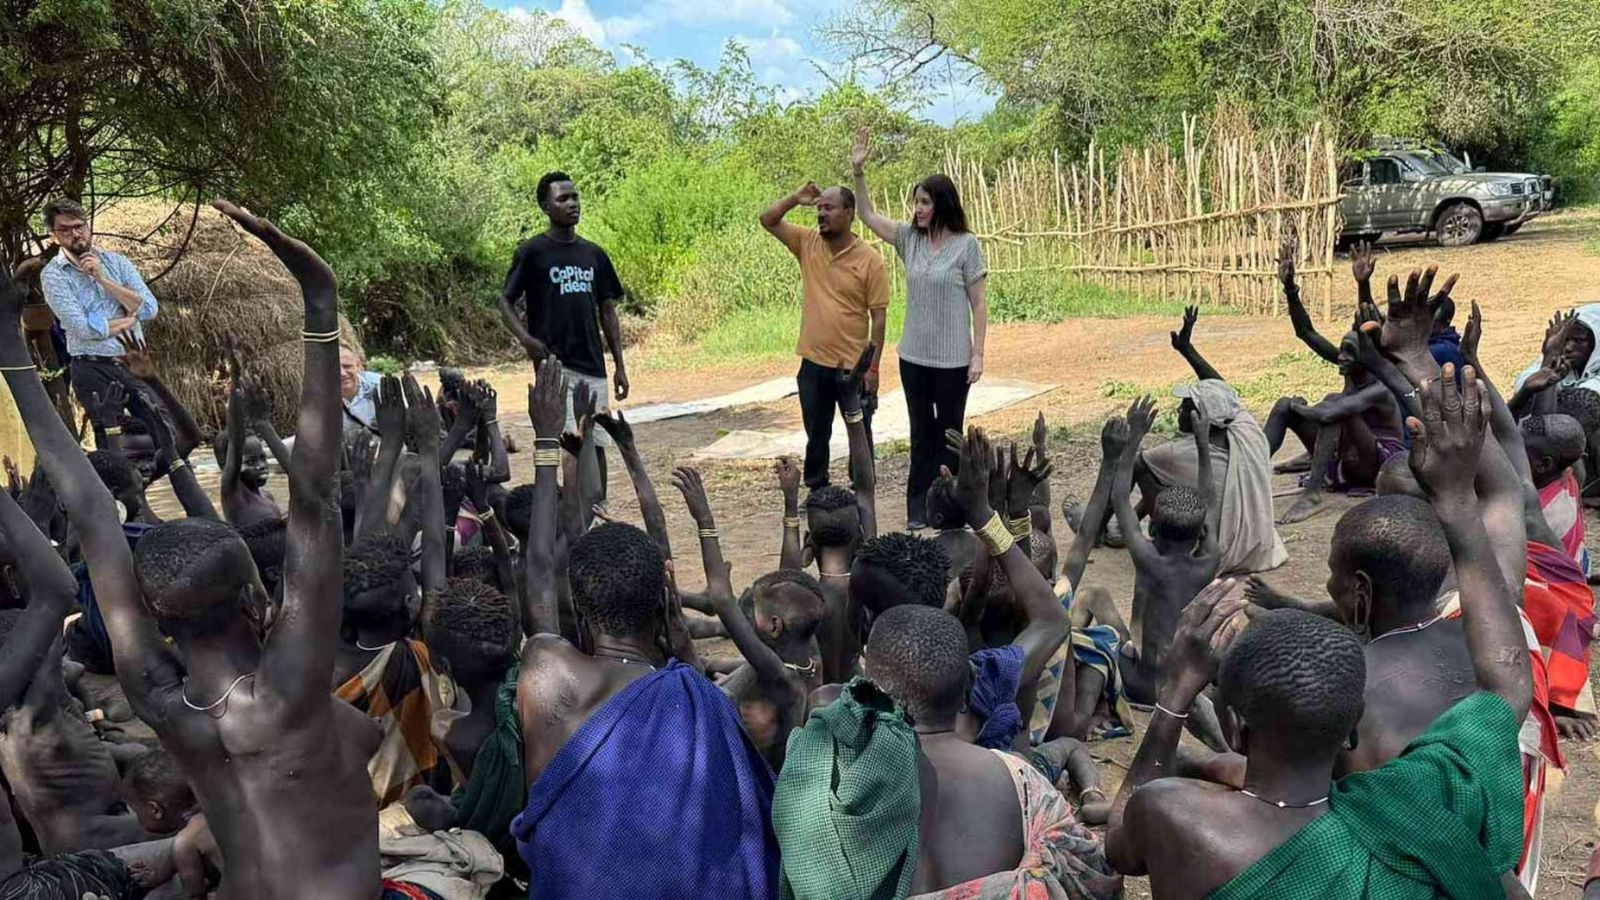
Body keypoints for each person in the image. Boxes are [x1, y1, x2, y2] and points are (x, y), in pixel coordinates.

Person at [4, 202, 387, 898]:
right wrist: (319, 301)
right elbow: (315, 500)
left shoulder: (157, 695)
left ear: (152, 612)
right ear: (255, 599)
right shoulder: (286, 696)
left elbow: (92, 510)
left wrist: (10, 351)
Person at [511, 357, 777, 900]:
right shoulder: (699, 699)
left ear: (580, 612)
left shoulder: (549, 676)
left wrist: (547, 443)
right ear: (666, 606)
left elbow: (537, 572)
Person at [851, 128, 988, 529]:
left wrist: (978, 353)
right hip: (913, 357)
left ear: (942, 204)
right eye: (916, 201)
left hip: (952, 360)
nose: (918, 208)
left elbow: (979, 304)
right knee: (919, 434)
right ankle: (918, 507)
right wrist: (858, 172)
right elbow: (867, 216)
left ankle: (949, 509)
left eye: (925, 202)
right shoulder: (909, 238)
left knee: (949, 435)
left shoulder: (967, 245)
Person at [498, 171, 631, 497]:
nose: (572, 204)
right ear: (546, 206)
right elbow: (504, 301)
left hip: (593, 365)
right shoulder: (533, 253)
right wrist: (526, 340)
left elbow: (608, 311)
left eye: (575, 197)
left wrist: (619, 365)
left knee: (597, 441)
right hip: (554, 365)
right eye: (563, 199)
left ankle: (598, 510)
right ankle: (574, 517)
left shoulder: (594, 254)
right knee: (571, 444)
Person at [761, 181, 890, 489]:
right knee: (816, 434)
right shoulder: (807, 243)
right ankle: (817, 491)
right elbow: (768, 220)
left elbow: (879, 318)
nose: (821, 214)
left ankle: (862, 490)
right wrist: (795, 197)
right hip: (814, 361)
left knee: (859, 431)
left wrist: (872, 368)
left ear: (849, 213)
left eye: (829, 208)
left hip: (853, 367)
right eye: (819, 208)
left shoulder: (869, 259)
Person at [1142, 306, 1286, 574]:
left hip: (1214, 552)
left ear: (1199, 417)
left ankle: (1112, 528)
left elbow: (1136, 462)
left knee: (1145, 468)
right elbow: (1225, 393)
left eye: (1184, 407)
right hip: (1259, 546)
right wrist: (1186, 348)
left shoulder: (1178, 452)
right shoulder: (1245, 430)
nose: (1178, 412)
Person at [1268, 244, 1404, 523]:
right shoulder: (1350, 363)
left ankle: (1313, 494)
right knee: (1284, 405)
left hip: (1375, 462)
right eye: (1340, 350)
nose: (1339, 357)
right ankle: (1246, 471)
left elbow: (1370, 326)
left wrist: (1363, 286)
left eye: (1348, 352)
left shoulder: (1381, 382)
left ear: (1365, 354)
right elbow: (1305, 332)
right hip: (1347, 452)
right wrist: (1290, 288)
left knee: (1334, 405)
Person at [36, 198, 159, 448]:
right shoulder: (53, 275)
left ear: (88, 225)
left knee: (163, 431)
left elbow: (148, 309)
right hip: (92, 367)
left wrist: (103, 279)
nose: (75, 234)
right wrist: (127, 318)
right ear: (54, 235)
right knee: (111, 444)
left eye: (79, 226)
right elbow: (84, 329)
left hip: (133, 363)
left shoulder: (117, 263)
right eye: (65, 230)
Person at [339, 345, 383, 436]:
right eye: (335, 367)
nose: (342, 373)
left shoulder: (379, 386)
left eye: (347, 366)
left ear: (358, 366)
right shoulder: (320, 396)